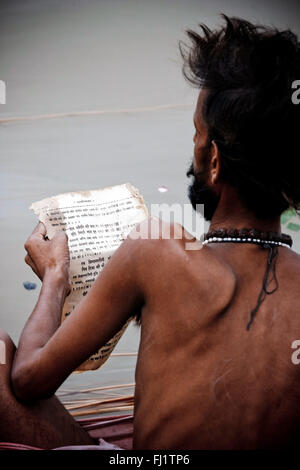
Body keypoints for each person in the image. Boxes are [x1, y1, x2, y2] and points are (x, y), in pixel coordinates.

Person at [1, 15, 300, 449]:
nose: (193, 147)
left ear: (214, 161)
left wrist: (56, 278)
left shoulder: (159, 248)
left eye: (197, 134)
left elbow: (28, 380)